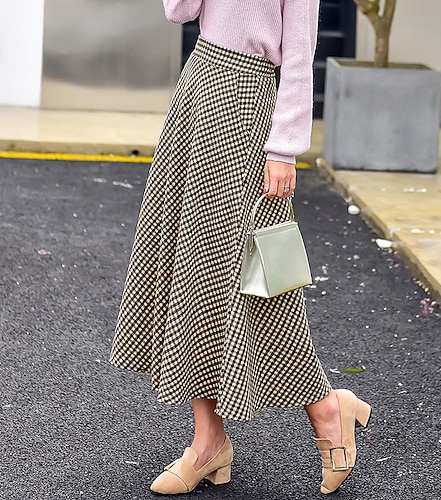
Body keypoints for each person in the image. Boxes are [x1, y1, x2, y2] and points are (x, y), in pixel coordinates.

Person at [110, 0, 371, 495]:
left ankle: (325, 407)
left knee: (253, 278)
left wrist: (284, 148)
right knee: (193, 268)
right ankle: (209, 442)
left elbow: (299, 52)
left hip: (250, 107)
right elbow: (179, 11)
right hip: (198, 89)